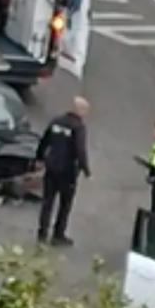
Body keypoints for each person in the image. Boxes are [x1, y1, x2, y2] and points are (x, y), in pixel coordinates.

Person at [36, 97, 91, 246]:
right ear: (80, 110)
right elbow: (80, 150)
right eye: (85, 110)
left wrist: (40, 157)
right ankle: (58, 234)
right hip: (67, 171)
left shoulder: (57, 121)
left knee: (47, 201)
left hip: (52, 166)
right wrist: (85, 168)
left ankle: (42, 233)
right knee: (65, 204)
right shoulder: (78, 127)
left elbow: (45, 140)